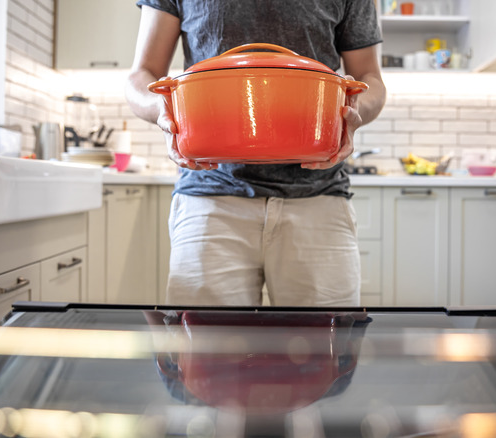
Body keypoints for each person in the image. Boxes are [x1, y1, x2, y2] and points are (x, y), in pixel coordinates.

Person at [125, 0, 387, 307]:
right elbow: (142, 74)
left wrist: (351, 112)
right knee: (207, 349)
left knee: (324, 347)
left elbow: (370, 78)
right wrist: (164, 110)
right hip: (210, 201)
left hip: (319, 201)